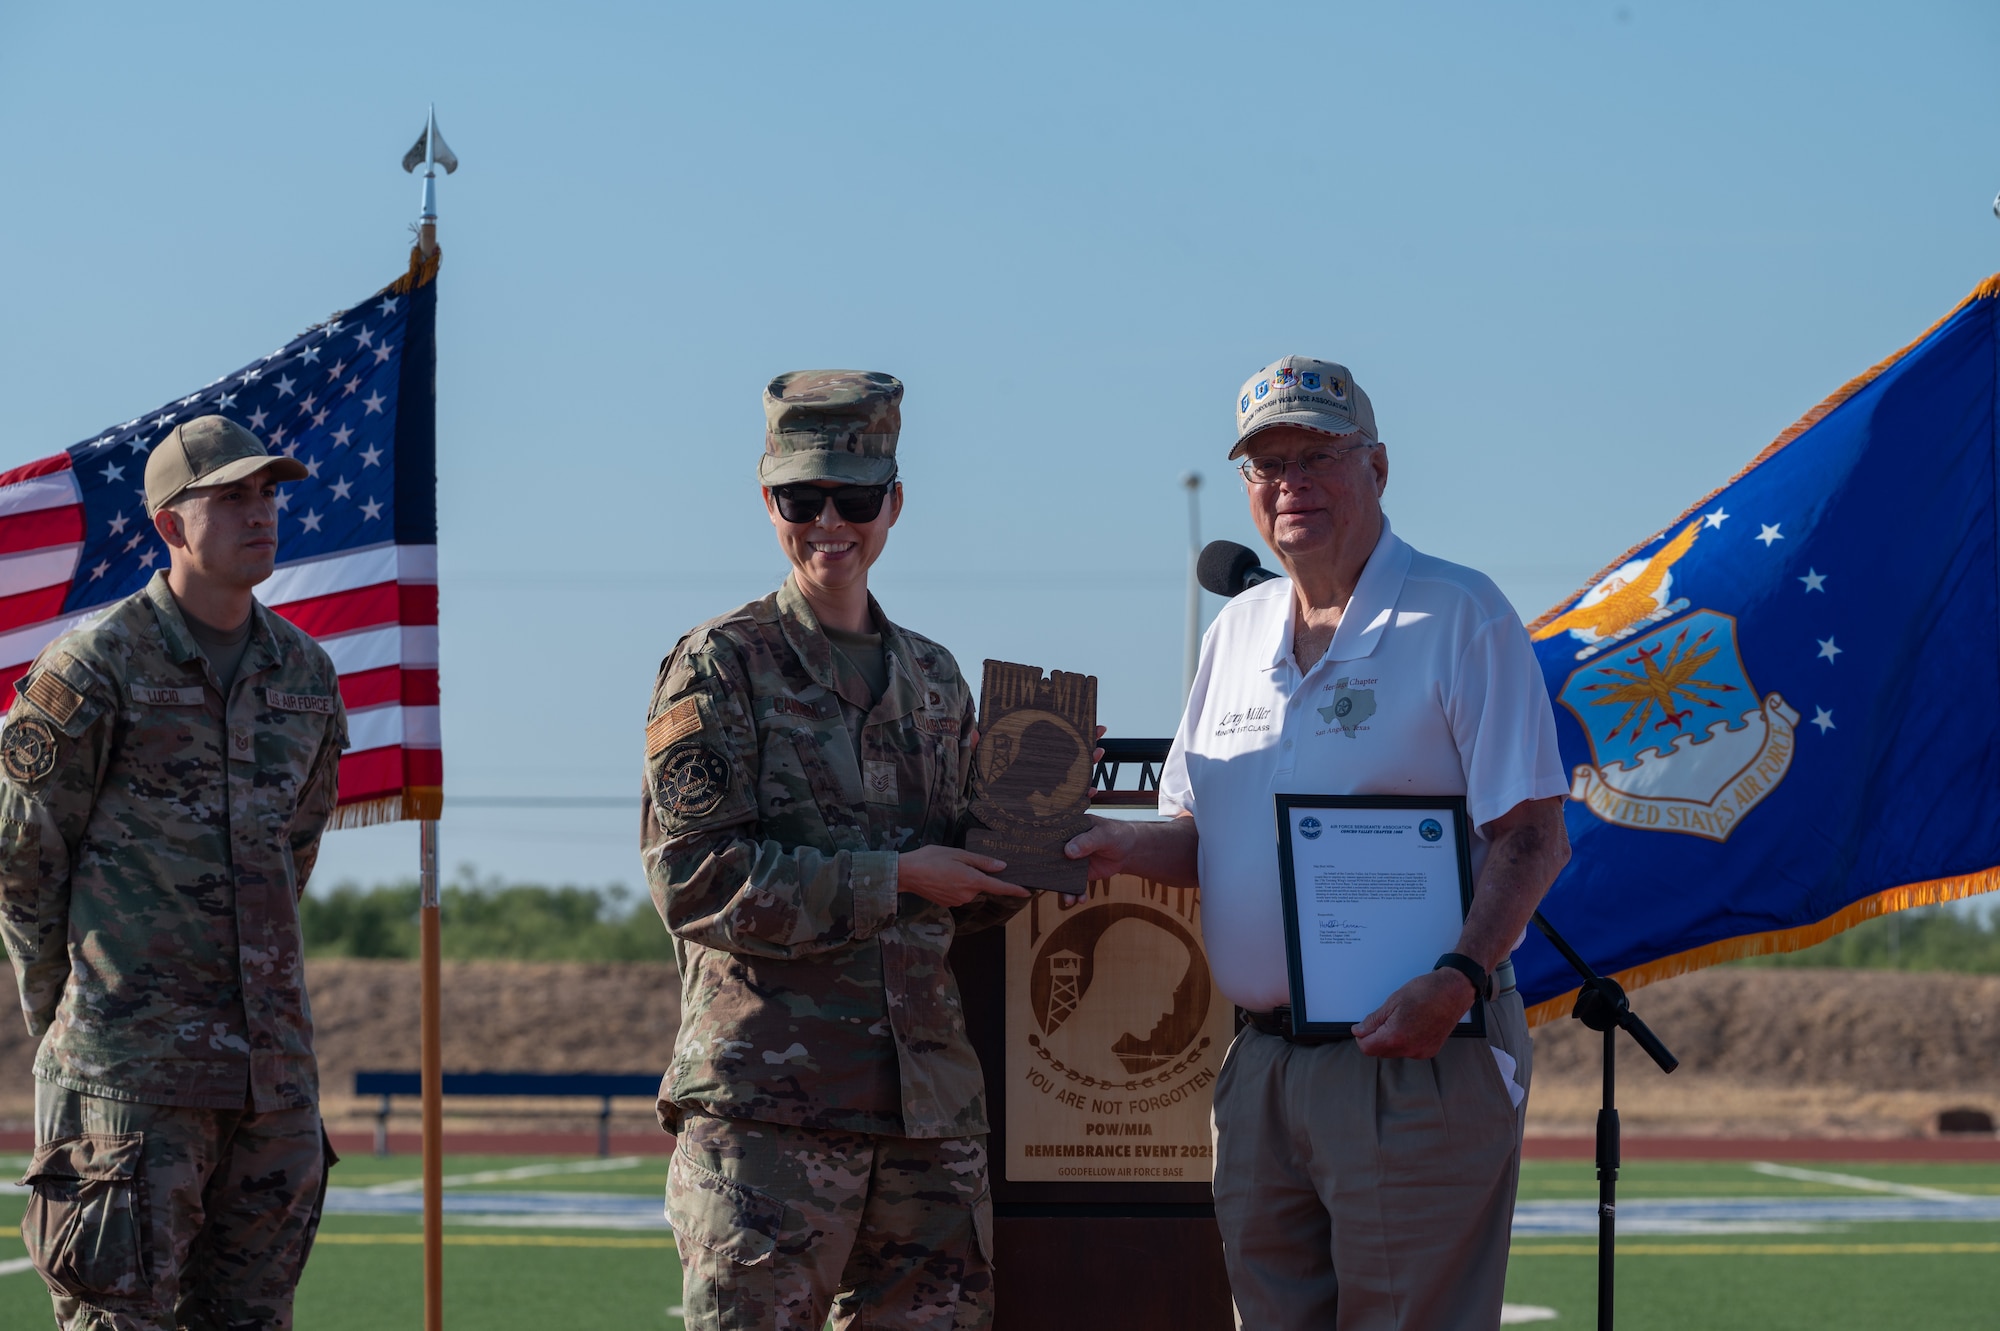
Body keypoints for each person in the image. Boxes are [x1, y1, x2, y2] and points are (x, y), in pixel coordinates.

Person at [1066, 357, 1571, 1330]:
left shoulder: (1456, 614)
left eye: (1315, 456)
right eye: (1265, 464)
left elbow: (1533, 834)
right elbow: (1201, 836)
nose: (1289, 481)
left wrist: (1458, 976)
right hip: (1261, 1064)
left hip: (1412, 1051)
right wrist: (1115, 848)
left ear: (1375, 468)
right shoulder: (1235, 630)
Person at [641, 370, 1029, 1331]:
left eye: (854, 498)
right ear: (766, 497)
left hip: (926, 1114)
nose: (830, 523)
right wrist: (895, 879)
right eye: (801, 498)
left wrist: (1035, 841)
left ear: (893, 501)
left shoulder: (936, 678)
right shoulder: (720, 664)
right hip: (769, 1114)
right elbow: (696, 881)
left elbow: (963, 892)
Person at [0, 415, 347, 1331]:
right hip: (128, 1087)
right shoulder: (95, 666)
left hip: (270, 1090)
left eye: (268, 492)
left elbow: (292, 853)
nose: (260, 511)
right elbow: (25, 865)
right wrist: (76, 1024)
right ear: (171, 524)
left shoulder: (307, 675)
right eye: (230, 495)